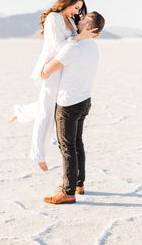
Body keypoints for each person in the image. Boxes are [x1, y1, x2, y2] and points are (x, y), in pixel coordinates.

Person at [10, 0, 97, 172]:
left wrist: (82, 38)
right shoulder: (54, 18)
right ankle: (37, 154)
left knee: (50, 105)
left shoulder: (71, 21)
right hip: (50, 68)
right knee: (46, 112)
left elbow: (73, 46)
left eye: (80, 9)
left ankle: (21, 113)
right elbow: (59, 46)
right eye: (76, 7)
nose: (77, 12)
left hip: (62, 69)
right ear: (67, 3)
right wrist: (80, 38)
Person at [41, 12, 105, 204]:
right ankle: (79, 184)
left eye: (83, 18)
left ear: (88, 27)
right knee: (77, 143)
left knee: (67, 147)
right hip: (84, 100)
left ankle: (68, 192)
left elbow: (46, 72)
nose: (79, 18)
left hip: (68, 103)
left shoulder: (74, 47)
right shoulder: (93, 46)